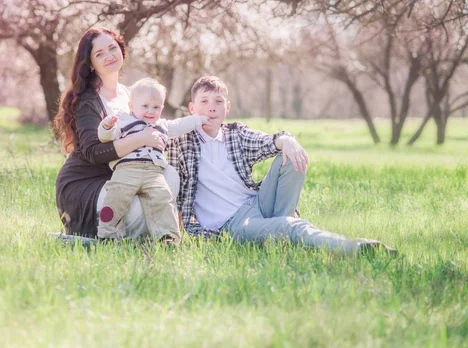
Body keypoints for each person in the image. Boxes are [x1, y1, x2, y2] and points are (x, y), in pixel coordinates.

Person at [166, 75, 397, 256]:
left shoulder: (235, 134)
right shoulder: (181, 141)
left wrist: (287, 140)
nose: (211, 108)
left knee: (290, 157)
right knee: (290, 227)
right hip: (232, 224)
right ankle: (355, 248)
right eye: (204, 102)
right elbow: (159, 130)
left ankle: (279, 234)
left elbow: (268, 141)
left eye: (218, 102)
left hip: (257, 202)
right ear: (192, 108)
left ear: (227, 107)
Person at [54, 28, 178, 239]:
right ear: (90, 64)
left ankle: (156, 237)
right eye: (99, 53)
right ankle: (103, 238)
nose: (109, 56)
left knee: (169, 176)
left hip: (124, 175)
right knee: (134, 208)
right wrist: (140, 138)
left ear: (121, 50)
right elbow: (94, 152)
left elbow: (160, 127)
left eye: (112, 48)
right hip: (86, 182)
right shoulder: (88, 101)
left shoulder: (131, 95)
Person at [96, 77, 209, 243]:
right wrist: (105, 127)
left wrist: (198, 119)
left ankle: (167, 237)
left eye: (156, 107)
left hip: (154, 172)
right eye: (145, 106)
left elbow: (179, 124)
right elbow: (106, 137)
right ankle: (108, 234)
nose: (151, 111)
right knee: (116, 197)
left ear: (161, 109)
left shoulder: (162, 125)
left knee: (163, 199)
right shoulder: (124, 121)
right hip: (127, 170)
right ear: (131, 106)